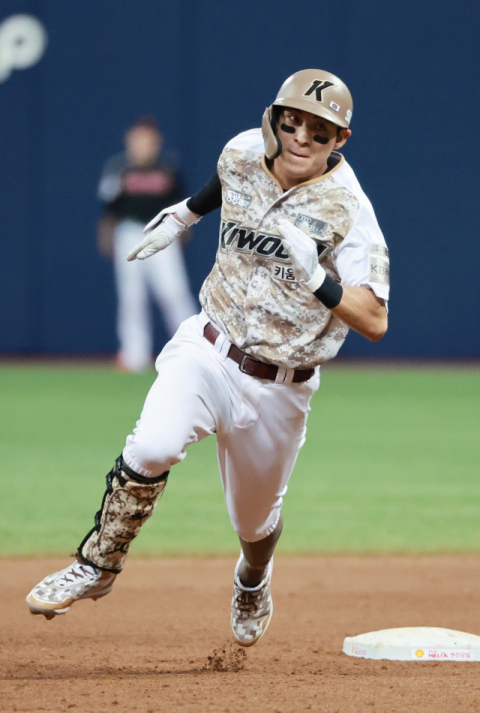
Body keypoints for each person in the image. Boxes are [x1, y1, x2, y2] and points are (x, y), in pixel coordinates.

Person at [27, 70, 390, 647]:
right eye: (291, 121)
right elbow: (227, 179)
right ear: (274, 117)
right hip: (209, 345)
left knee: (255, 523)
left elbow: (374, 320)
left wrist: (318, 276)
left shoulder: (350, 211)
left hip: (281, 383)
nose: (300, 137)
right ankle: (96, 565)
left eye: (319, 132)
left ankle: (252, 577)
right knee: (151, 445)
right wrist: (186, 215)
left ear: (339, 142)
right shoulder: (244, 148)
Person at [97, 116, 197, 372]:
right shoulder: (119, 168)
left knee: (174, 292)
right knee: (131, 297)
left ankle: (192, 351)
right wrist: (107, 237)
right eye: (138, 139)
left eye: (147, 140)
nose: (142, 144)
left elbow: (184, 207)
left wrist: (180, 236)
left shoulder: (168, 168)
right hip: (129, 233)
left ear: (156, 142)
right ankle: (134, 355)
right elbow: (109, 211)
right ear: (129, 141)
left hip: (163, 232)